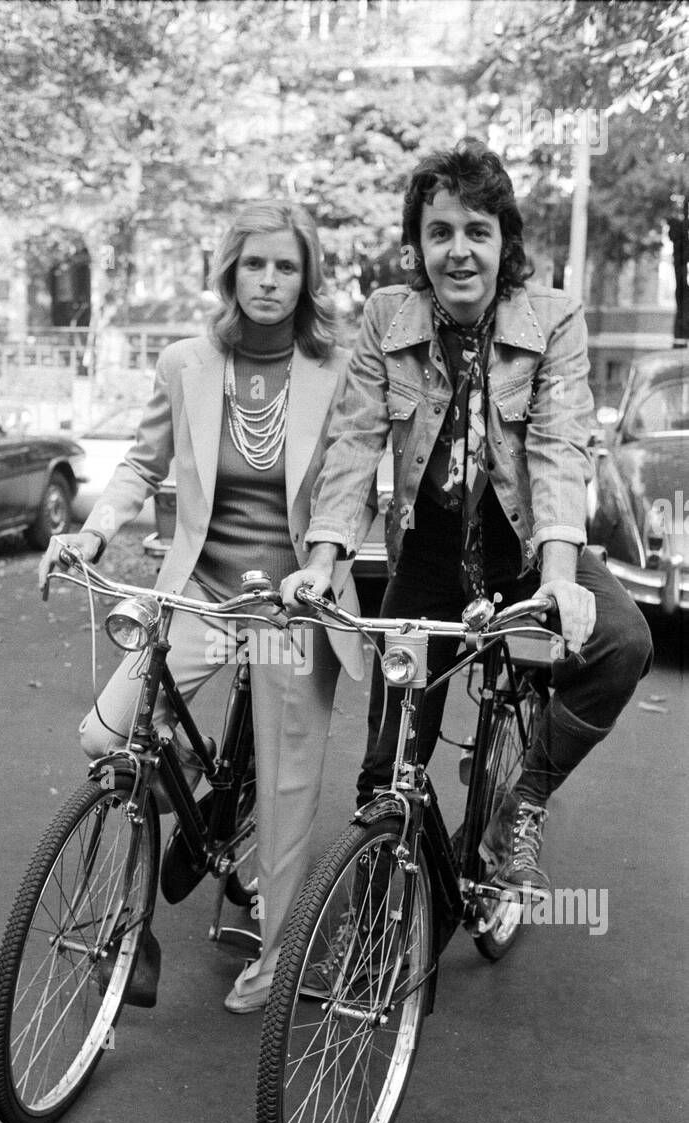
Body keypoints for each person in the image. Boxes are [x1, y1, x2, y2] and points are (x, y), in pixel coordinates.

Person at [282, 140, 652, 896]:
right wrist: (322, 560)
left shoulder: (552, 317)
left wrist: (558, 580)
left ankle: (520, 804)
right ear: (417, 245)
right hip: (425, 557)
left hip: (524, 552)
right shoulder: (388, 316)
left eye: (476, 232)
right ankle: (373, 920)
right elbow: (353, 442)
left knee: (621, 643)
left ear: (502, 241)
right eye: (439, 232)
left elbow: (555, 445)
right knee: (388, 768)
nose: (458, 252)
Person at [39, 201, 374, 1014]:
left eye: (285, 266)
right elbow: (139, 465)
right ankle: (196, 823)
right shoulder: (186, 362)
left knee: (289, 785)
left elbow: (344, 486)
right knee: (107, 735)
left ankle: (275, 952)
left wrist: (323, 569)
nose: (268, 280)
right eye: (253, 264)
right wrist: (92, 532)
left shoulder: (336, 370)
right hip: (198, 594)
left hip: (288, 611)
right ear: (229, 272)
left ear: (307, 278)